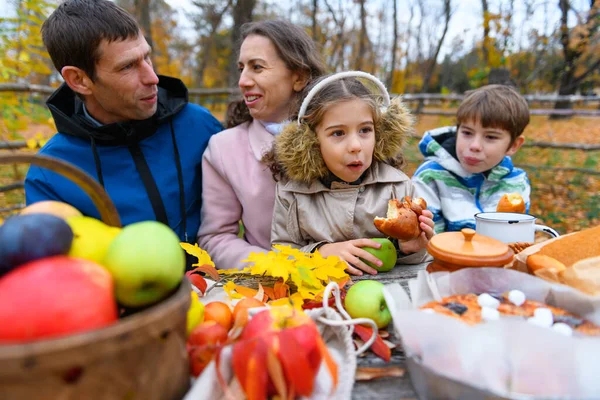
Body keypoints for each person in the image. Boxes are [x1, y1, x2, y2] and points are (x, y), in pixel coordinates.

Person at [24, 0, 222, 244]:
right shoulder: (52, 173)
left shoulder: (200, 126)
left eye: (146, 57)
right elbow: (55, 269)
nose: (152, 78)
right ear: (79, 79)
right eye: (127, 66)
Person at [266, 71, 434, 276]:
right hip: (317, 298)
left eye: (365, 130)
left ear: (380, 133)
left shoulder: (398, 188)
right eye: (338, 133)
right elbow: (282, 254)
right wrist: (320, 253)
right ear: (309, 142)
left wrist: (410, 248)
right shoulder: (292, 193)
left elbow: (420, 262)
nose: (356, 146)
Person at [197, 20, 326, 270]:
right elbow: (216, 238)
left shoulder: (342, 134)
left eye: (257, 67)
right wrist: (281, 265)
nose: (243, 81)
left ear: (298, 77)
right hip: (272, 290)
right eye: (241, 68)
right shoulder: (224, 149)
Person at [411, 84, 531, 233]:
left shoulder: (517, 183)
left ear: (513, 145)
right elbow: (428, 243)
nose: (475, 146)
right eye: (467, 133)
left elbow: (517, 237)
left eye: (490, 137)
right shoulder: (430, 177)